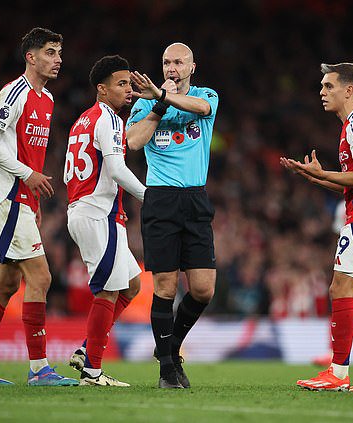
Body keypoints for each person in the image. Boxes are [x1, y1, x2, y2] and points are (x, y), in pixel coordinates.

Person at [0, 27, 78, 386]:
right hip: (7, 194)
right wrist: (26, 177)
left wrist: (32, 196)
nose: (58, 59)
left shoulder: (48, 99)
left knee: (7, 284)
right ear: (31, 56)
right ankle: (40, 369)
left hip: (21, 197)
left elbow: (27, 150)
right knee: (41, 277)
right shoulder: (15, 92)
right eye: (50, 52)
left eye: (59, 52)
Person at [280, 62, 353, 392]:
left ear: (349, 90)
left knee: (339, 289)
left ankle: (337, 371)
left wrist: (322, 174)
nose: (322, 92)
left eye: (328, 86)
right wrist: (315, 176)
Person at [126, 42, 219, 388]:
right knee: (165, 286)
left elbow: (202, 108)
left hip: (195, 198)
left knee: (203, 289)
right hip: (161, 199)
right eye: (166, 62)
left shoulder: (206, 94)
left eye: (178, 62)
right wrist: (157, 106)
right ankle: (167, 369)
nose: (171, 68)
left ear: (192, 67)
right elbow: (134, 142)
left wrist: (165, 98)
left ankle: (171, 348)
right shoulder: (145, 103)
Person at [64, 55, 146, 387]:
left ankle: (87, 351)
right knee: (109, 292)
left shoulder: (83, 119)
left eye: (129, 83)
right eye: (121, 83)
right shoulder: (109, 119)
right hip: (99, 214)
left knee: (131, 284)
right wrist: (149, 196)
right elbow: (114, 169)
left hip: (87, 210)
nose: (129, 90)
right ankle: (93, 372)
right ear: (102, 89)